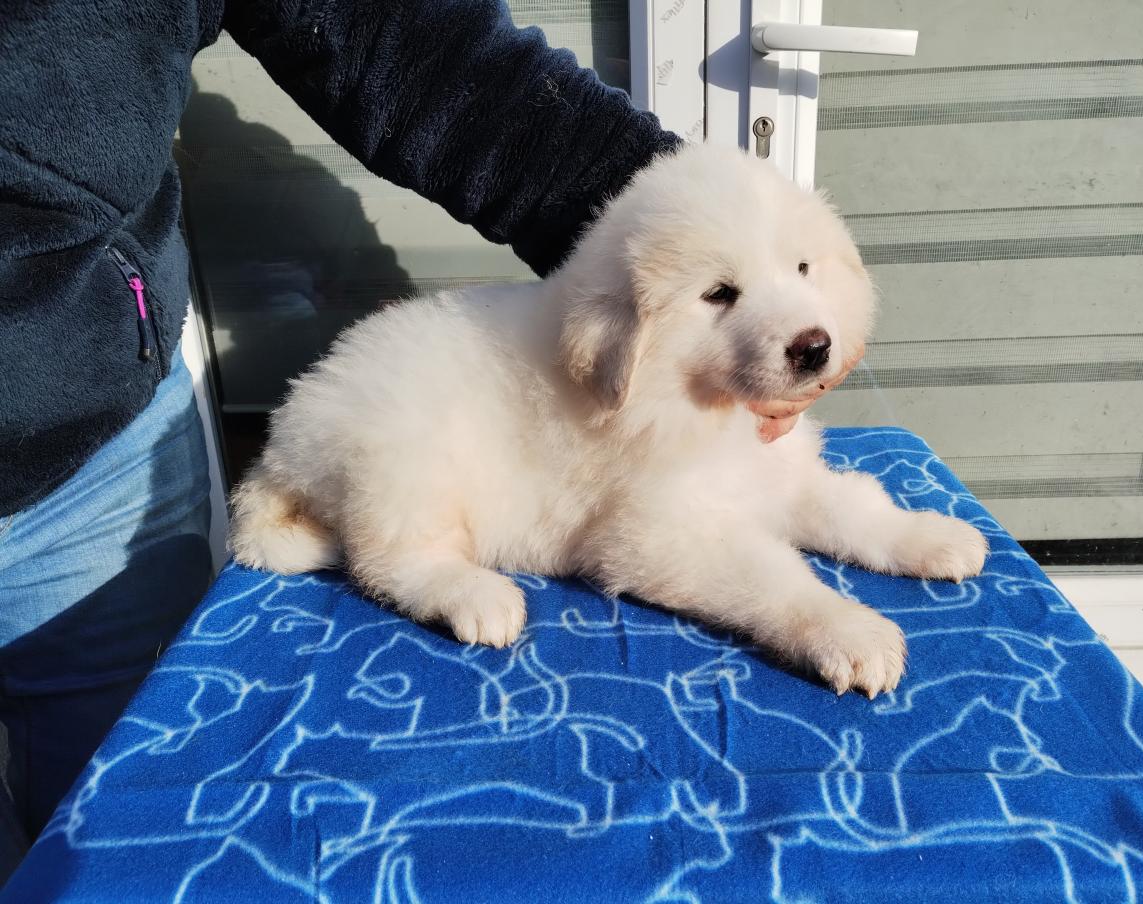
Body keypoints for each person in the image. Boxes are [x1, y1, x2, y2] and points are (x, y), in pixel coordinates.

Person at [0, 0, 856, 873]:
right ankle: (412, 558)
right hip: (297, 441)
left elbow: (405, 37)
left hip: (86, 435)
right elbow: (653, 535)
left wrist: (674, 215)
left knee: (115, 825)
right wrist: (423, 570)